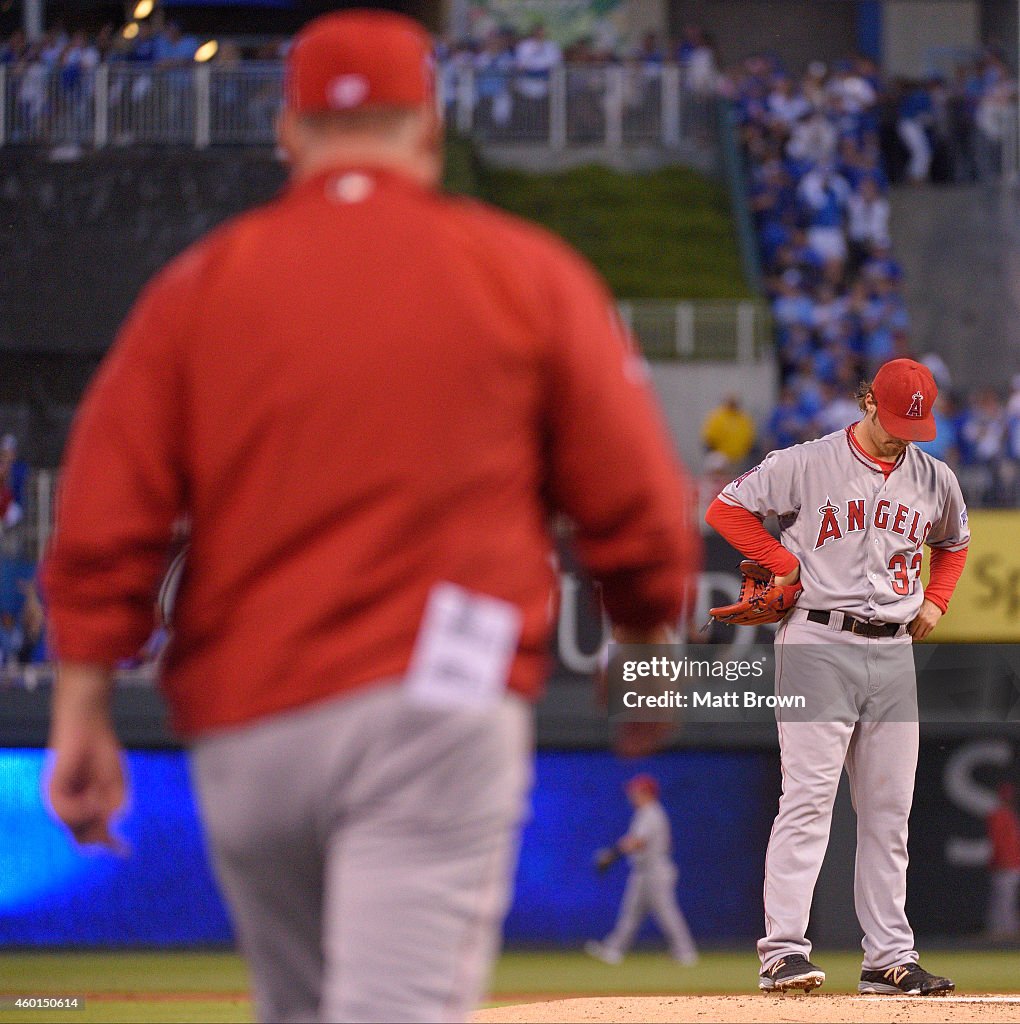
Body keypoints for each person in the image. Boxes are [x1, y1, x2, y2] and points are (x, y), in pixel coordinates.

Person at [42, 11, 701, 1024]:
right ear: (429, 128)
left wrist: (82, 695)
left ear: (288, 133)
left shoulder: (199, 288)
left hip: (249, 723)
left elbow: (104, 508)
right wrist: (646, 646)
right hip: (433, 705)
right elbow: (640, 506)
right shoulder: (526, 273)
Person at [705, 358, 968, 995]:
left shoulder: (935, 478)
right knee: (808, 799)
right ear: (866, 403)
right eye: (897, 419)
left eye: (917, 422)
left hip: (893, 650)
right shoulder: (808, 462)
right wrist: (780, 559)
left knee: (888, 810)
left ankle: (888, 959)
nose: (907, 433)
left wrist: (936, 601)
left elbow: (954, 544)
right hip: (818, 640)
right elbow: (728, 507)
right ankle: (783, 951)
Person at [585, 774, 698, 965]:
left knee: (667, 913)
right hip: (643, 871)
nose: (632, 794)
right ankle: (614, 949)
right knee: (631, 913)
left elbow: (637, 842)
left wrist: (611, 855)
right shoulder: (645, 812)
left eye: (636, 790)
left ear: (646, 792)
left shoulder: (651, 812)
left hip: (655, 870)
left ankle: (686, 952)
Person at [985, 782, 1020, 941]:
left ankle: (1005, 930)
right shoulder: (998, 815)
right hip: (1004, 864)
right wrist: (1000, 861)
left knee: (1006, 899)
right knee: (1003, 900)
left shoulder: (1008, 815)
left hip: (1011, 864)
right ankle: (1001, 931)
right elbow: (998, 842)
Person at [700, 395, 757, 468]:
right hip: (722, 457)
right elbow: (709, 438)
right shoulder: (717, 417)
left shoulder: (744, 418)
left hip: (741, 457)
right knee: (717, 462)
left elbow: (750, 438)